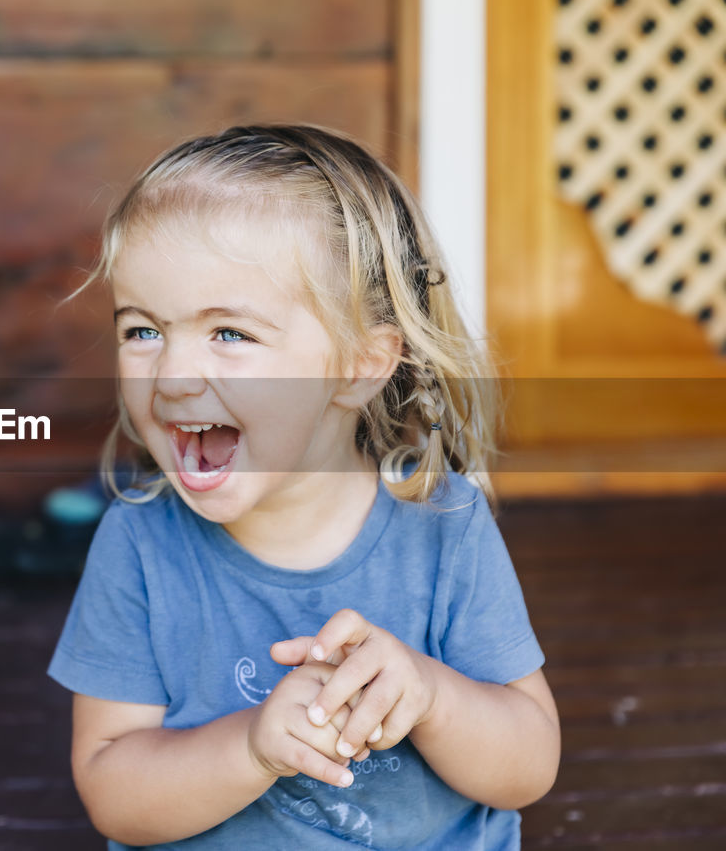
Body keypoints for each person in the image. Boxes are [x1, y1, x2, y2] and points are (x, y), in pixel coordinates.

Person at [47, 124, 560, 849]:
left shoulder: (443, 524)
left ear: (358, 365)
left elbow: (529, 764)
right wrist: (250, 748)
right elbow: (112, 787)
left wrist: (432, 694)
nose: (172, 376)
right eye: (143, 331)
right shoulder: (138, 545)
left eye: (229, 333)